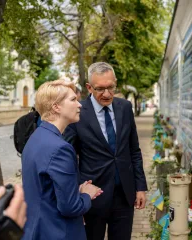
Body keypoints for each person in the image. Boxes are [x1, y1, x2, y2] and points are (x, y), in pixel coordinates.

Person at [64, 62, 148, 240]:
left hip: (125, 195)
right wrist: (79, 190)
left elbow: (134, 149)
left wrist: (140, 187)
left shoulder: (125, 107)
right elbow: (69, 157)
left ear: (115, 82)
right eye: (100, 89)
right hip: (93, 196)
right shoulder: (77, 112)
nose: (107, 94)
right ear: (89, 87)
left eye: (111, 87)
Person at [22, 80, 102, 240]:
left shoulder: (36, 137)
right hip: (58, 232)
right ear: (56, 107)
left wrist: (73, 190)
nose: (79, 105)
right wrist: (86, 194)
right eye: (73, 100)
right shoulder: (60, 148)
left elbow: (44, 190)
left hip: (37, 230)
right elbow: (70, 207)